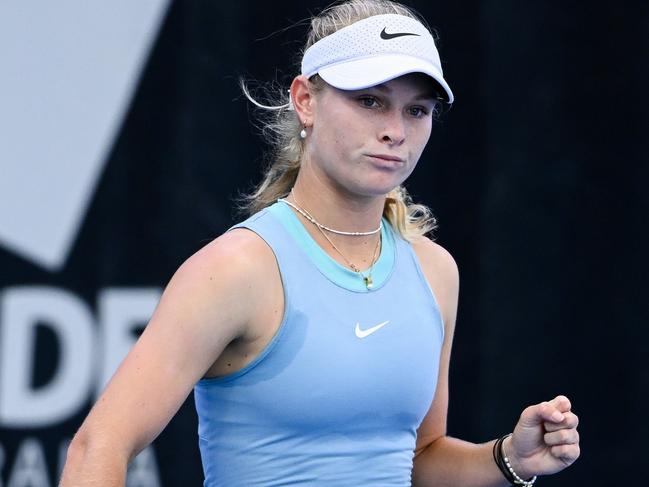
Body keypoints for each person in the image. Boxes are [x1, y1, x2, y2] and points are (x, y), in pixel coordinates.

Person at [60, 1, 580, 485]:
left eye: (416, 110)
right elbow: (98, 447)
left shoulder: (435, 270)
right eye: (370, 101)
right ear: (305, 101)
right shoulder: (237, 269)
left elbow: (417, 458)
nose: (395, 131)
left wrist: (509, 456)